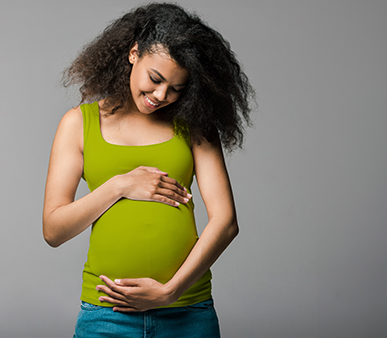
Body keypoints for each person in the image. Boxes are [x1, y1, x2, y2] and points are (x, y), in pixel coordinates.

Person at [42, 3, 254, 337]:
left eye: (176, 88)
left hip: (187, 309)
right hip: (107, 313)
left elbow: (226, 222)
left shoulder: (194, 125)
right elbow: (53, 230)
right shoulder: (79, 124)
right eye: (155, 79)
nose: (161, 95)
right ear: (133, 53)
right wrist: (120, 186)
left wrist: (172, 290)